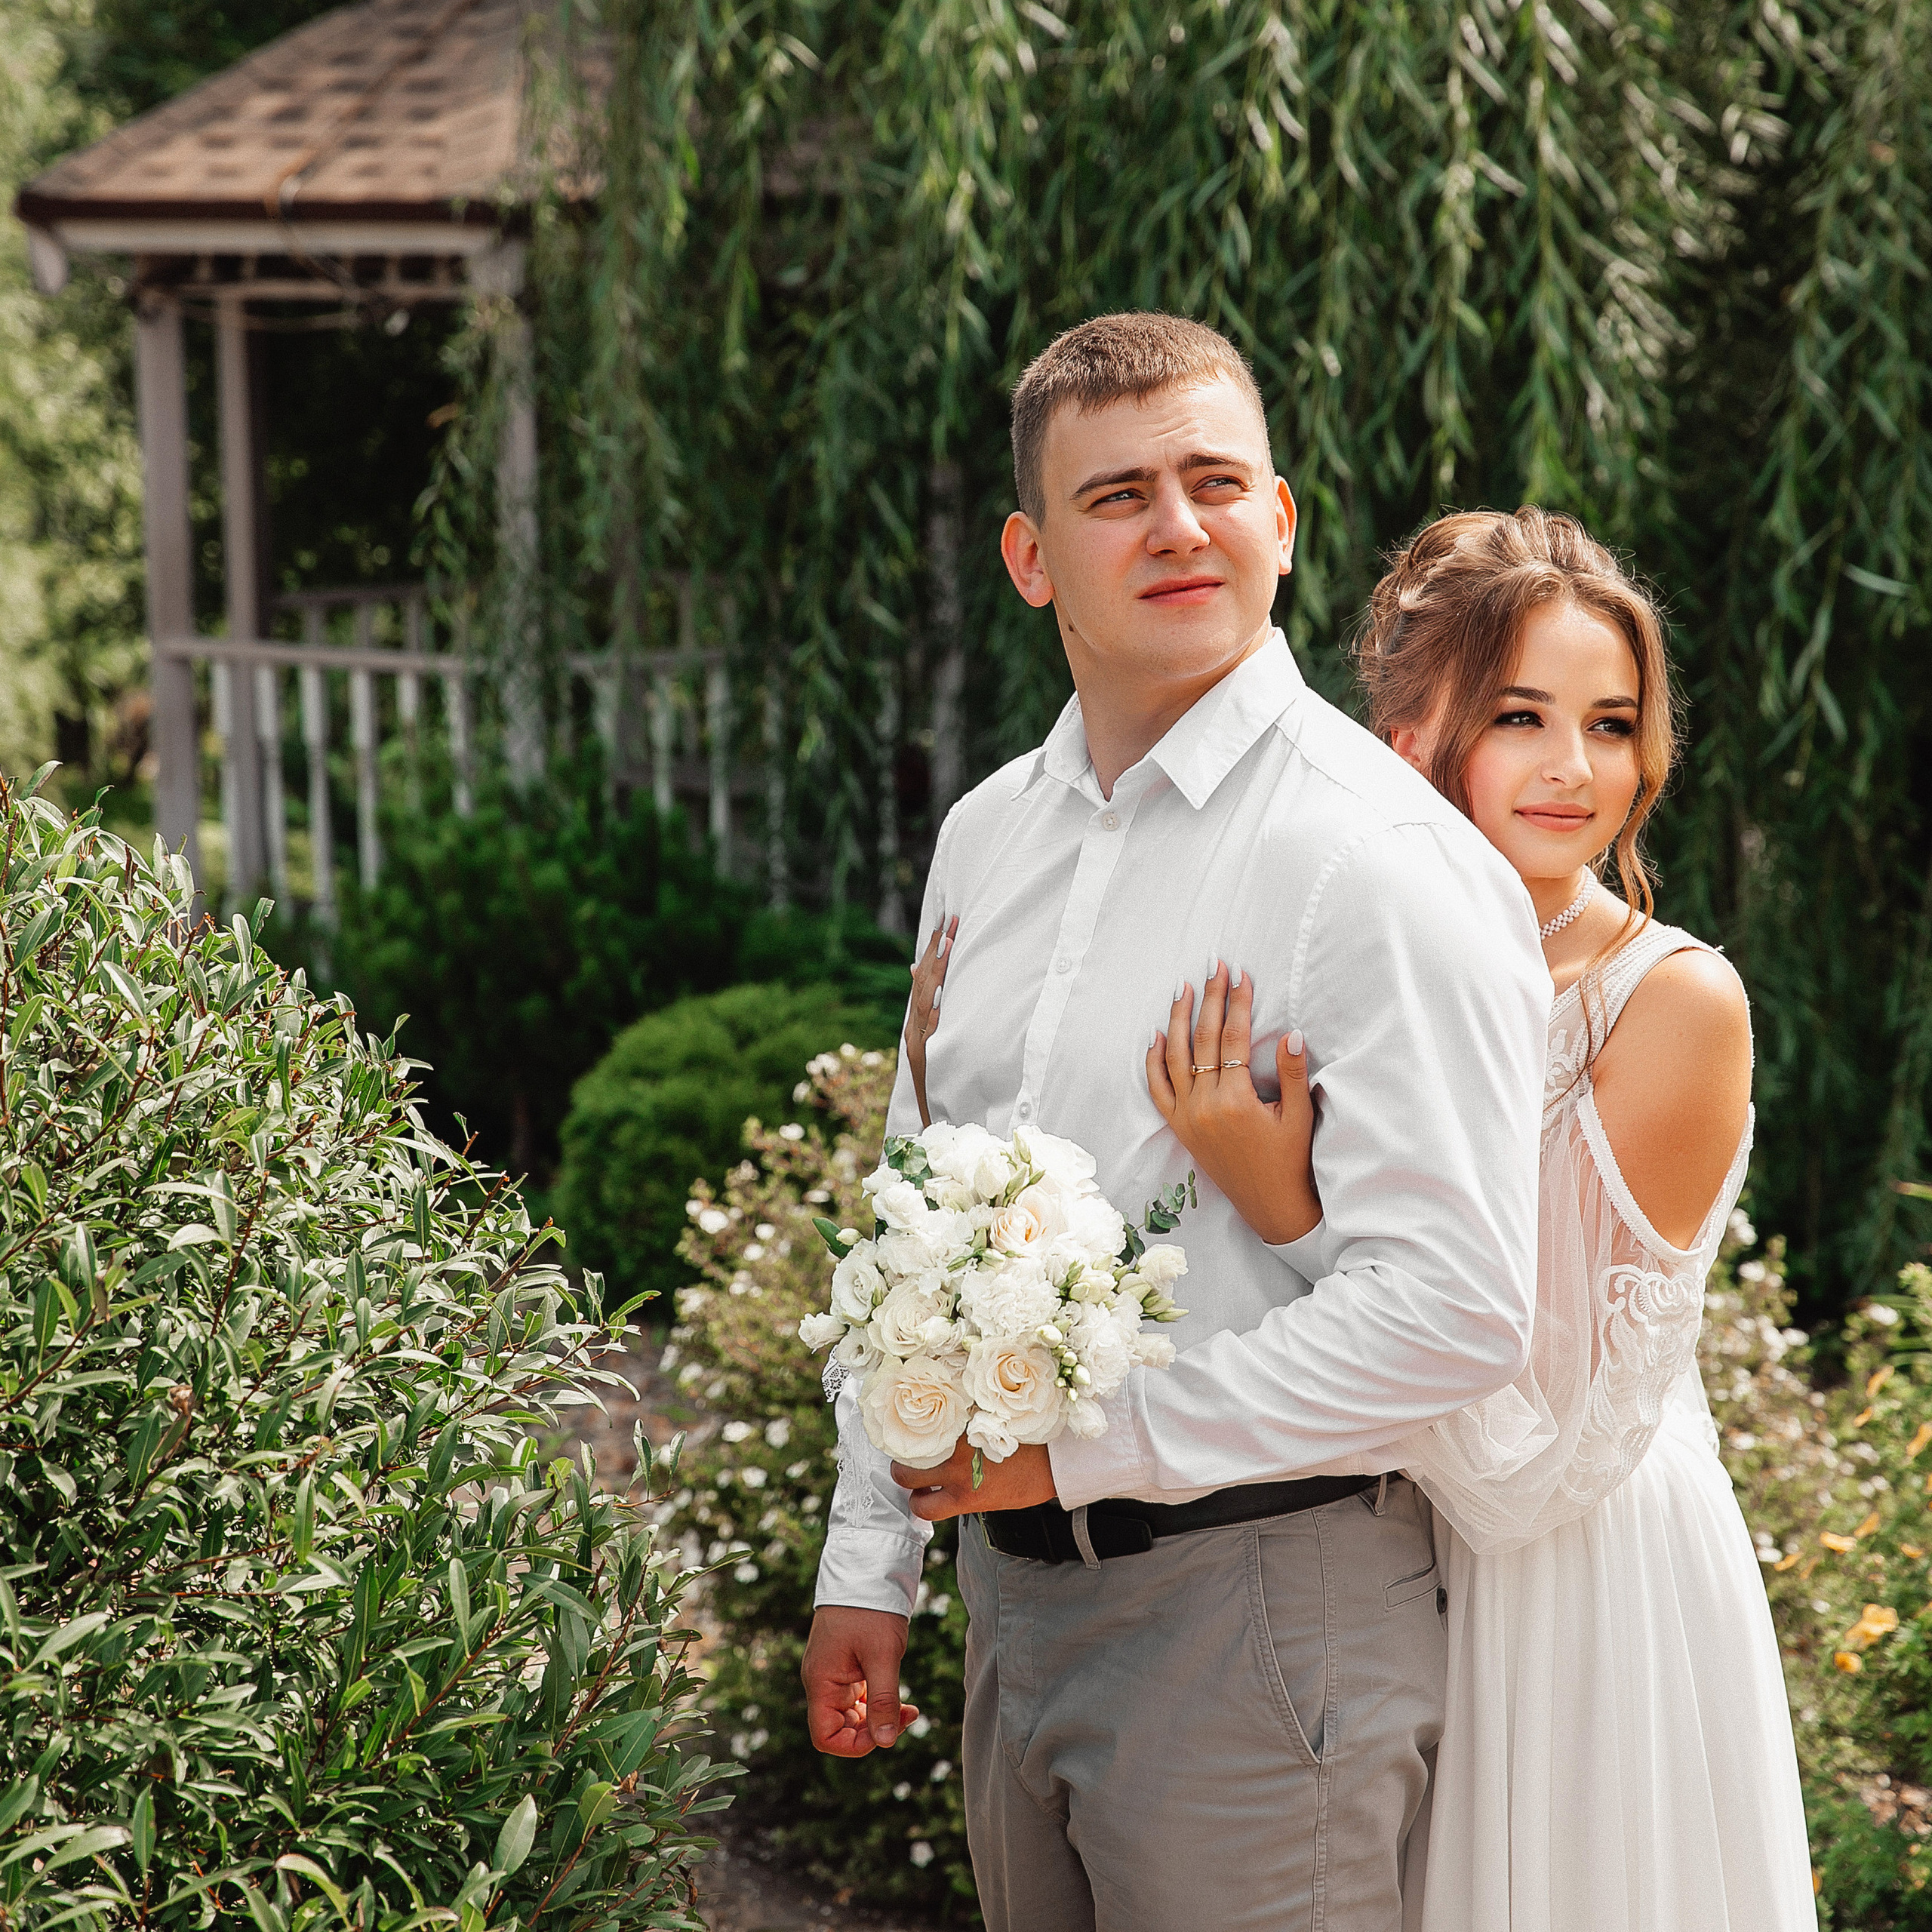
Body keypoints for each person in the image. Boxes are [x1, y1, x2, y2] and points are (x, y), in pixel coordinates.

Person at [801, 311, 1552, 1930]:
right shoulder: (984, 835)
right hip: (1018, 1610)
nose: (1176, 524)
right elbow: (909, 1210)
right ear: (1028, 554)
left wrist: (1073, 1446)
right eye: (1117, 494)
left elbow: (1458, 1311)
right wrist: (869, 1558)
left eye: (1214, 481)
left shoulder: (1374, 862)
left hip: (1262, 1618)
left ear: (1279, 522)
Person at [1141, 506, 1817, 1930]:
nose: (1576, 769)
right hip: (1366, 1563)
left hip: (1578, 1576)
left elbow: (1536, 1433)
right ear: (1405, 729)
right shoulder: (1330, 952)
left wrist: (1281, 1201)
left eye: (1613, 724)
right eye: (1522, 716)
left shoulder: (1674, 1004)